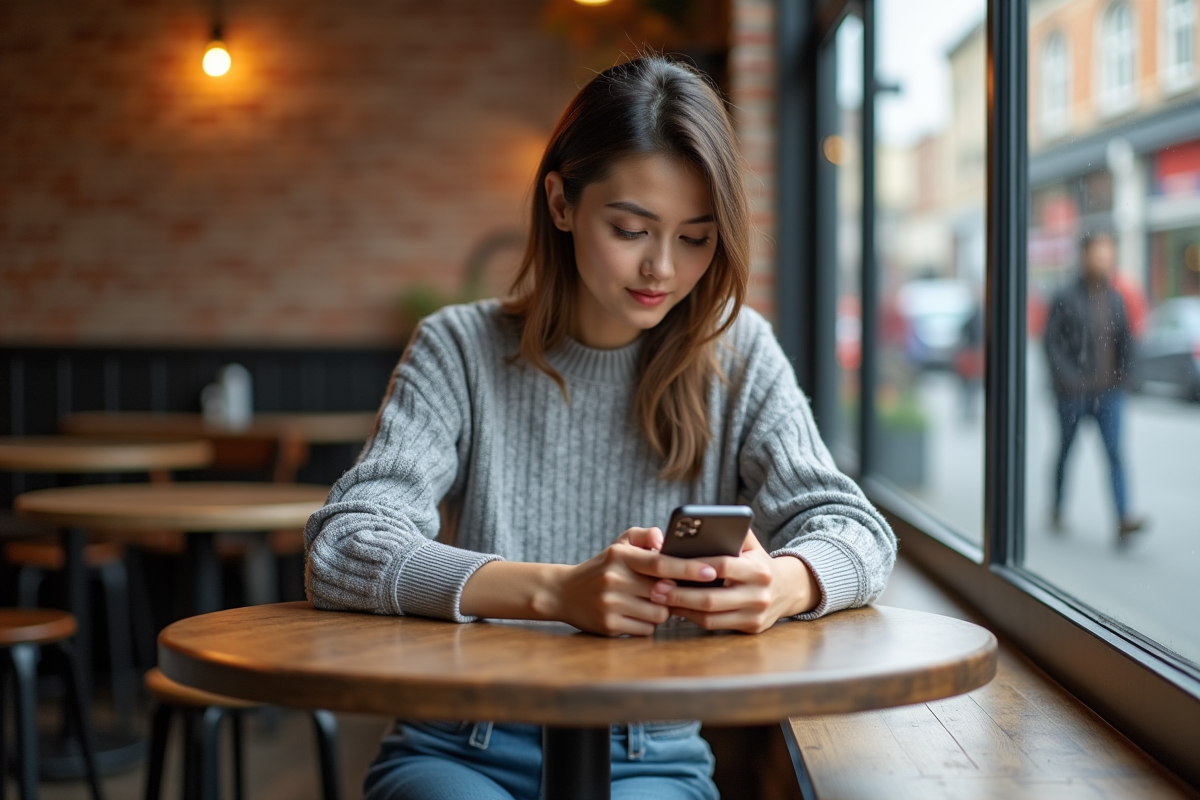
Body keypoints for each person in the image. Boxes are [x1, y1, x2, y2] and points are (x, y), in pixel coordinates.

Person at [304, 56, 896, 800]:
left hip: (652, 759)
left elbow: (858, 532)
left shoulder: (738, 353)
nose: (662, 269)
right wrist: (557, 594)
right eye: (631, 228)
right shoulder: (458, 349)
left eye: (695, 238)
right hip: (458, 746)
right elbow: (343, 546)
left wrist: (785, 581)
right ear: (560, 202)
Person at [1044, 231, 1145, 547]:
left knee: (1115, 455)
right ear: (1085, 255)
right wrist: (1070, 382)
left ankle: (1123, 519)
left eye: (1108, 254)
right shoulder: (1064, 296)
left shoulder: (1115, 298)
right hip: (1073, 395)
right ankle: (1057, 508)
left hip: (1109, 393)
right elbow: (1052, 345)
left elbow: (1127, 341)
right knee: (1066, 452)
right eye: (1098, 253)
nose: (1104, 260)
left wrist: (1126, 378)